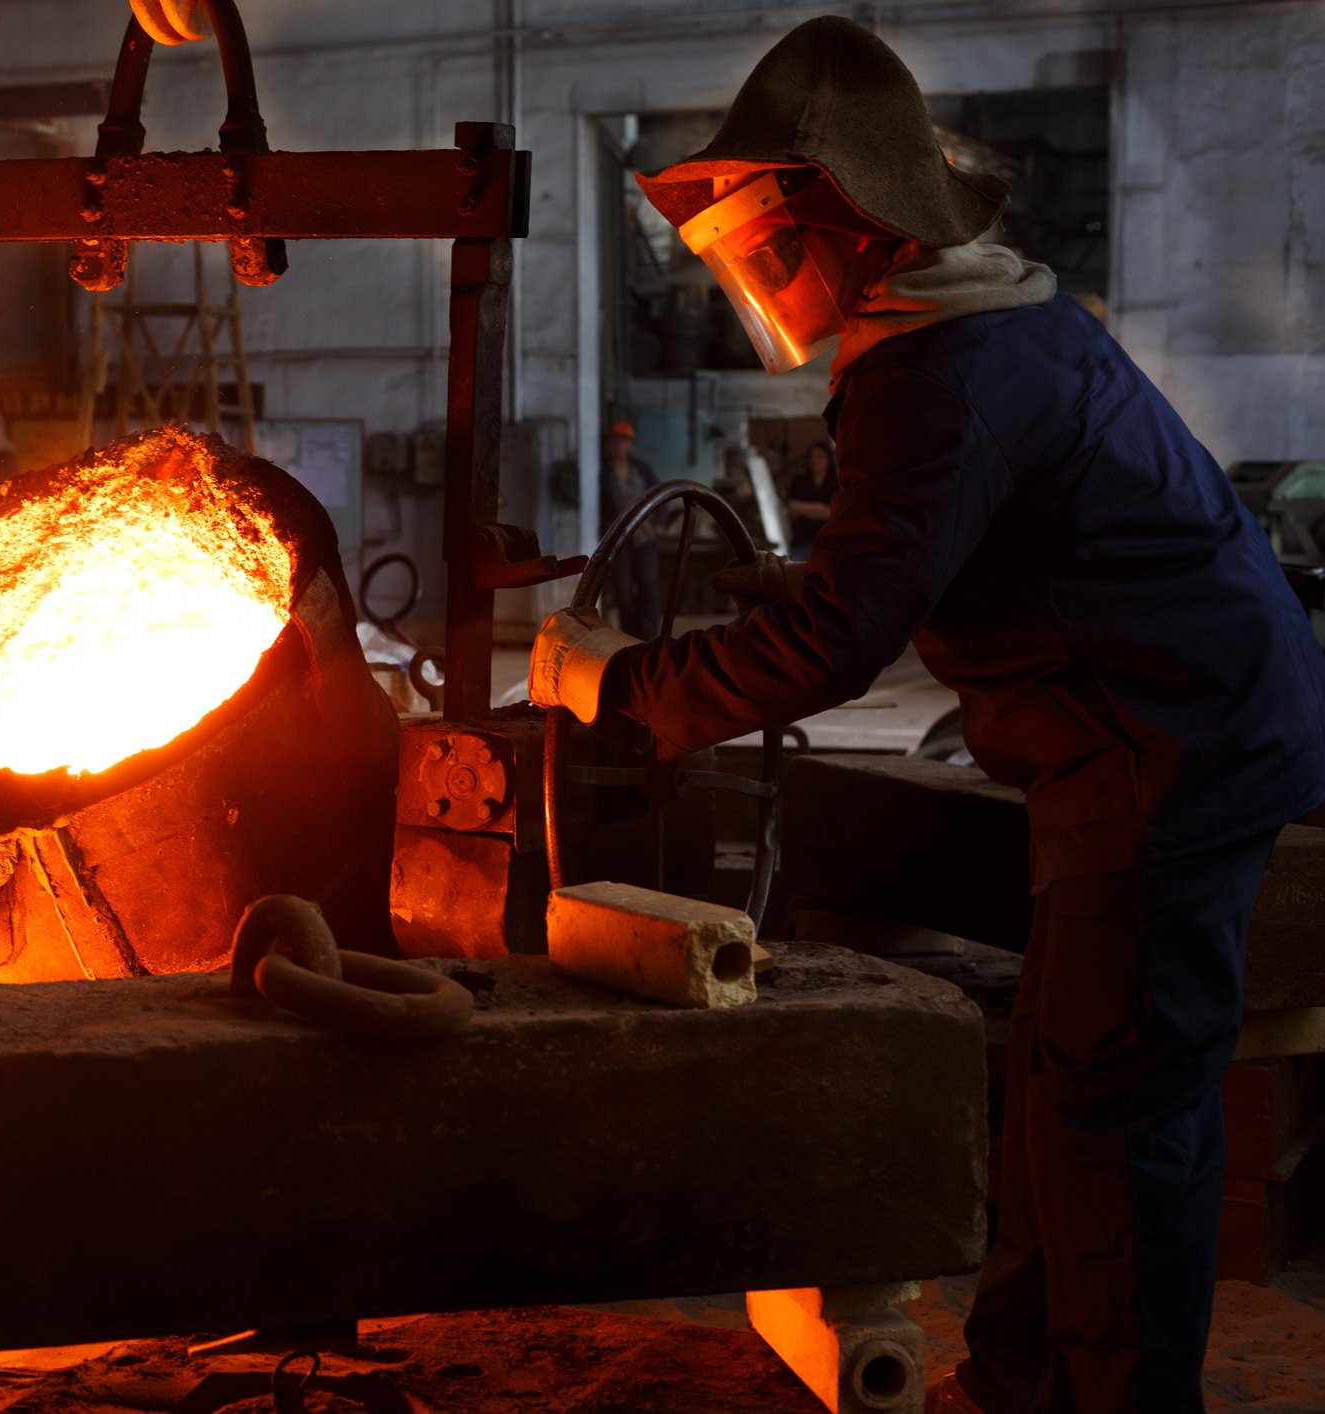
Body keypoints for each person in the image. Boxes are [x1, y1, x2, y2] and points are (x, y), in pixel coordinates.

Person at [529, 17, 1325, 1414]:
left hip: (1162, 754)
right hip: (1170, 722)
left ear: (850, 218)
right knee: (1067, 1093)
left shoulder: (938, 370)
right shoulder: (978, 316)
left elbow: (840, 641)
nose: (754, 284)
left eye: (763, 251)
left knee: (1116, 1115)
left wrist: (616, 682)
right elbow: (946, 555)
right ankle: (1018, 1380)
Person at [597, 419, 663, 637]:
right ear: (610, 443)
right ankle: (630, 634)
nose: (619, 445)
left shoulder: (642, 469)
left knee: (647, 583)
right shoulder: (603, 471)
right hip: (619, 538)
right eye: (615, 440)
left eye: (623, 441)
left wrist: (659, 522)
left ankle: (650, 633)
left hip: (646, 536)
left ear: (629, 445)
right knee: (623, 589)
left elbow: (660, 494)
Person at [783, 439, 838, 557]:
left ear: (828, 459)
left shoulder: (835, 482)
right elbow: (792, 505)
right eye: (812, 456)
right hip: (802, 539)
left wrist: (805, 509)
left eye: (820, 456)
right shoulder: (800, 479)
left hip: (828, 541)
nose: (815, 460)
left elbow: (834, 512)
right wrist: (819, 508)